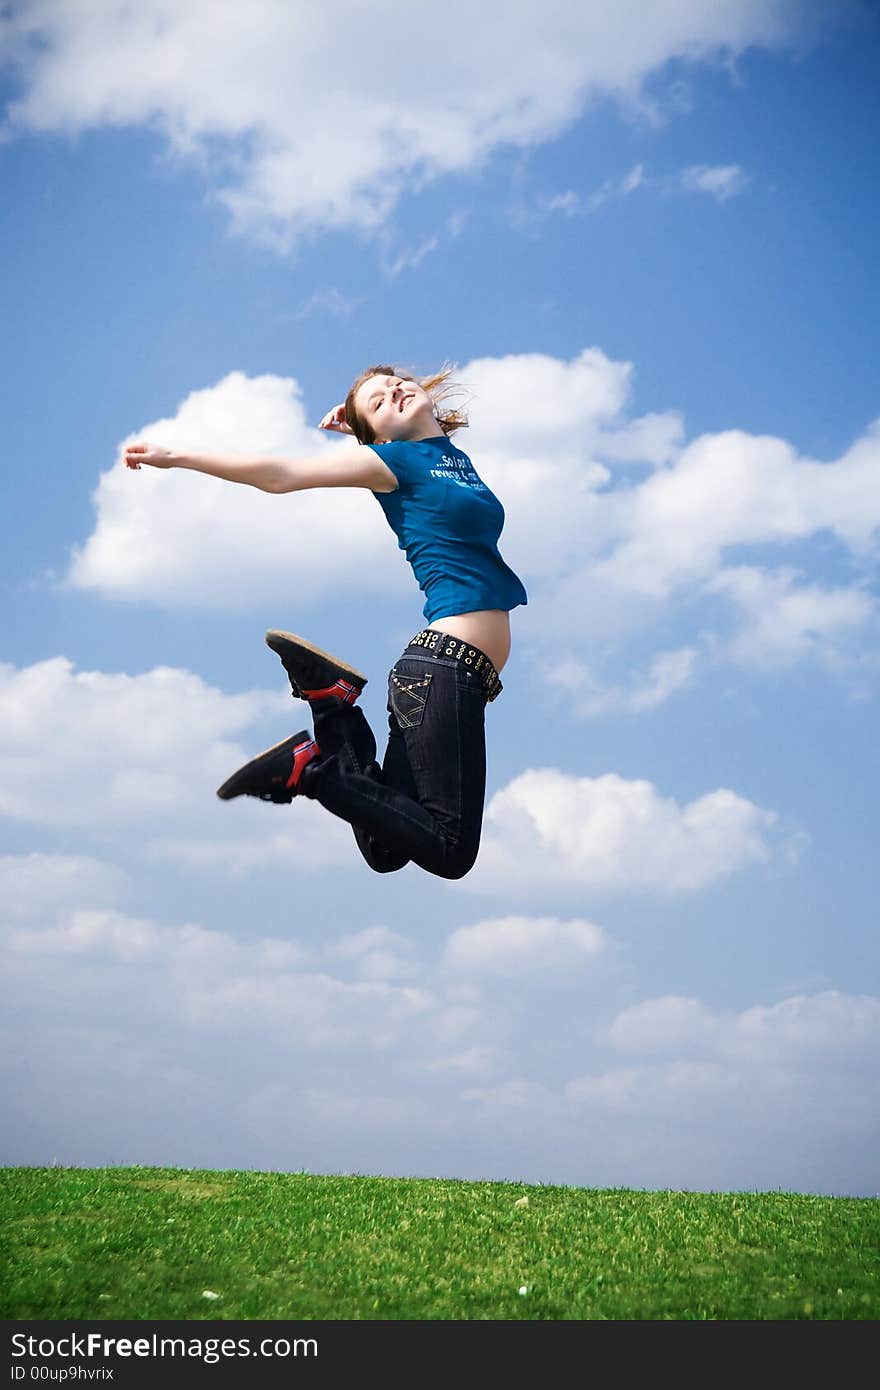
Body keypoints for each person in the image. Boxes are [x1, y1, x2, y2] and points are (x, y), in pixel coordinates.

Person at [124, 364, 527, 879]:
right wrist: (177, 457)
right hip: (443, 668)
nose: (396, 392)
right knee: (449, 852)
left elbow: (415, 425)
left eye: (398, 383)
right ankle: (310, 771)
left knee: (386, 850)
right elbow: (281, 476)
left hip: (447, 674)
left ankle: (331, 706)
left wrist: (366, 415)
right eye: (379, 401)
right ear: (376, 437)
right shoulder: (391, 463)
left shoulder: (447, 455)